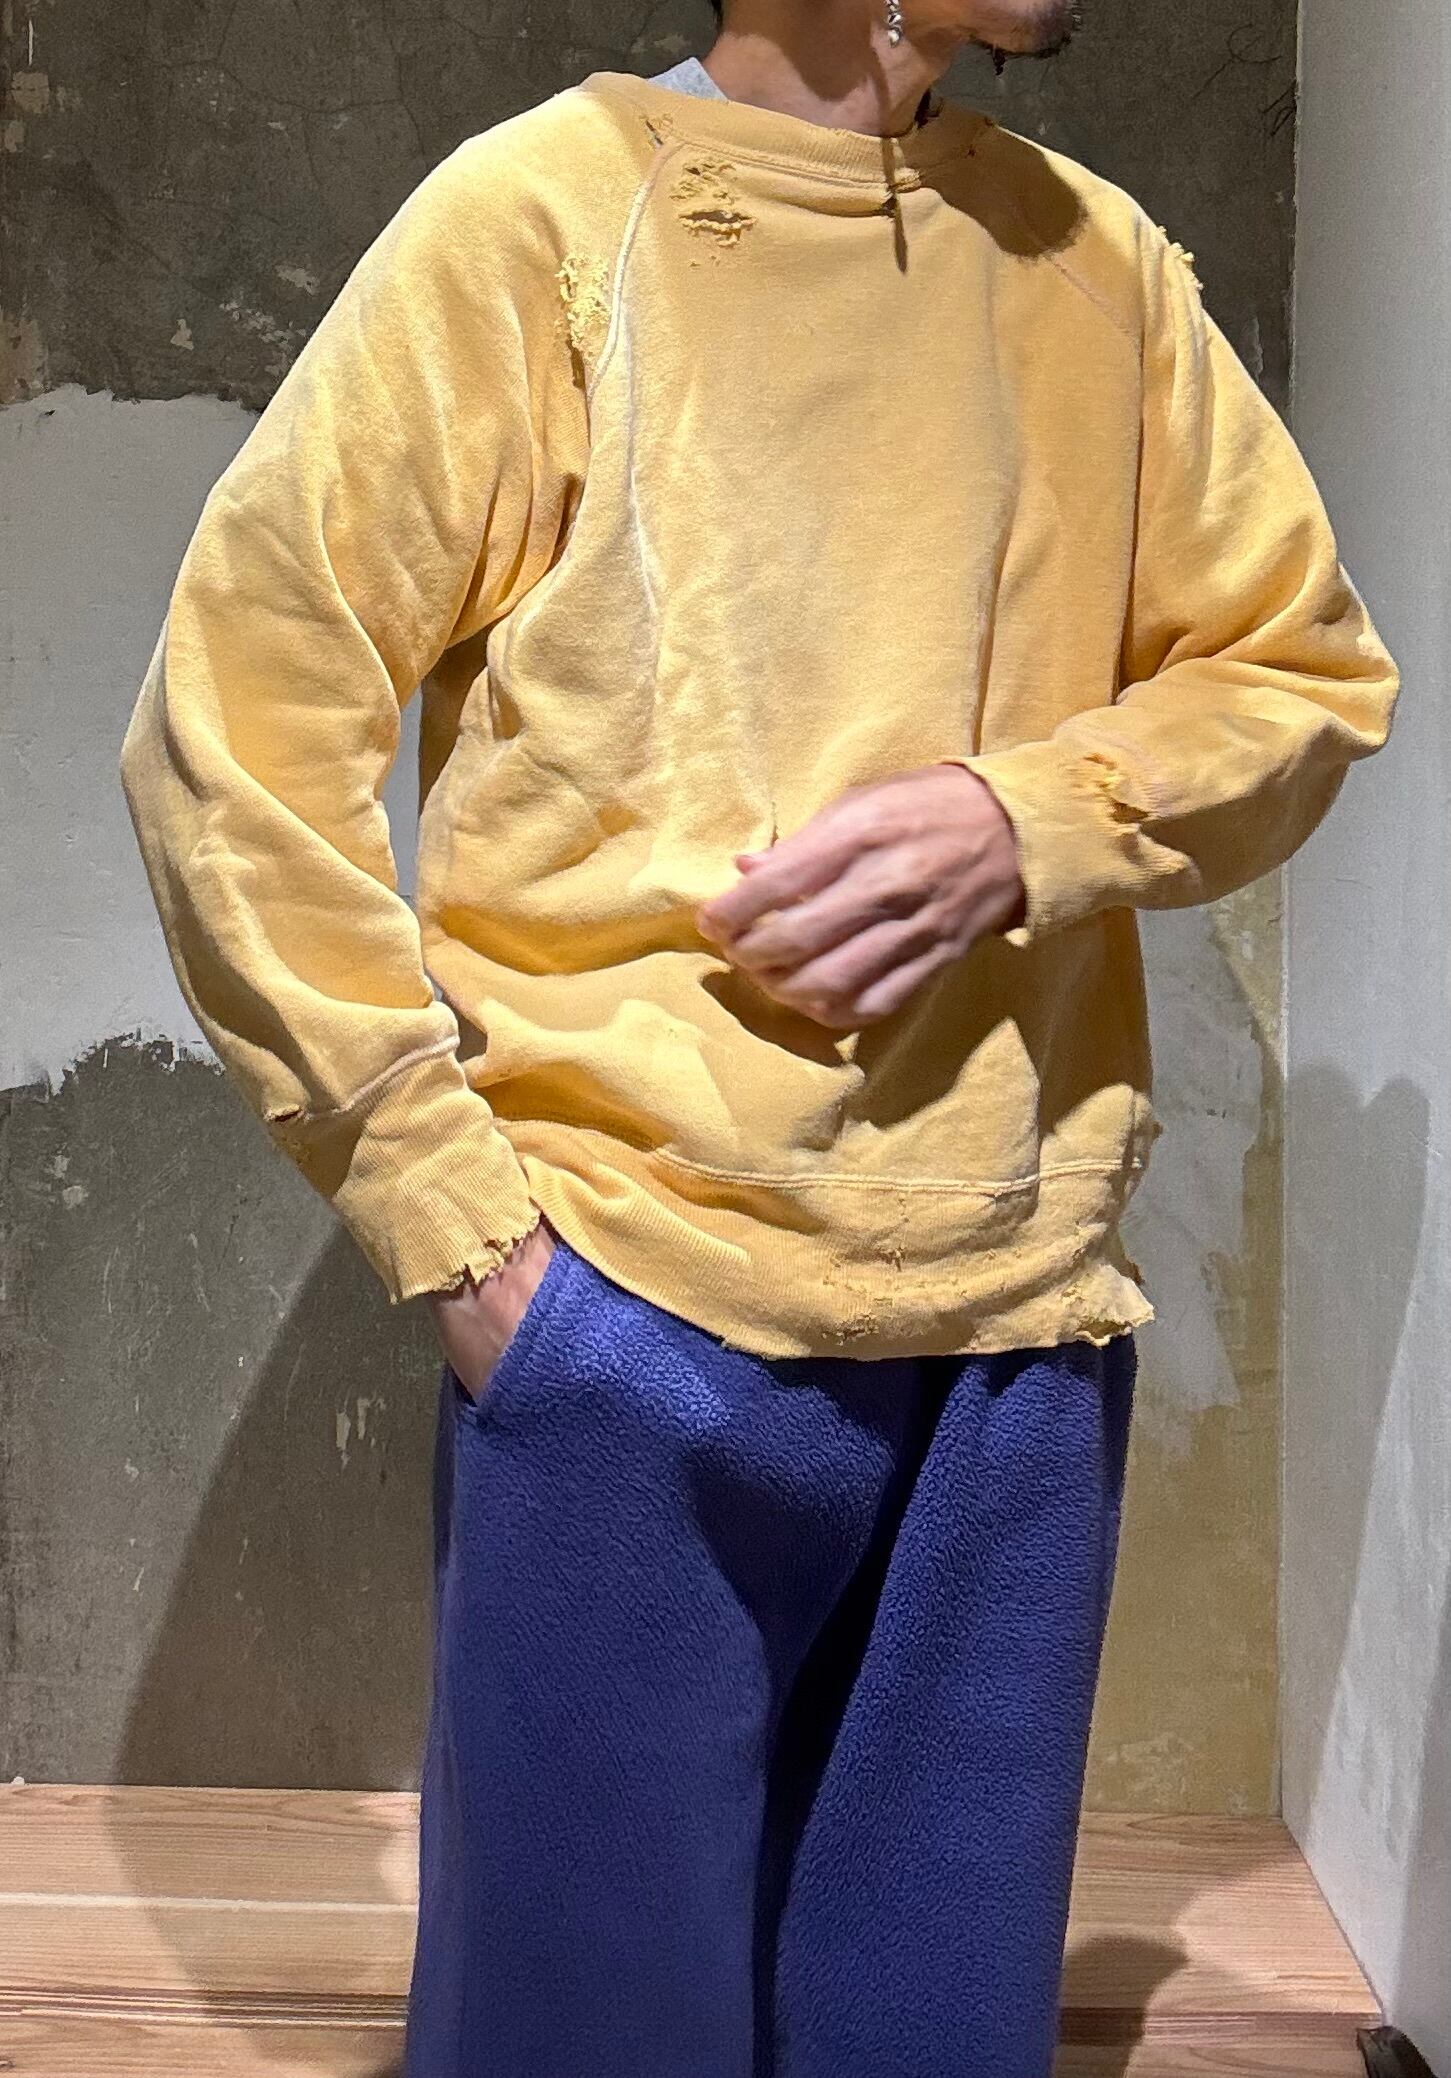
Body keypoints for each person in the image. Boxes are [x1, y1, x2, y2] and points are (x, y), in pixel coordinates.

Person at [119, 1, 1399, 2071]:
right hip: (626, 1334)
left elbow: (1303, 674)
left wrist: (1025, 817)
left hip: (1012, 1358)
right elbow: (231, 736)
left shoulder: (1098, 265)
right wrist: (463, 1236)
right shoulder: (544, 224)